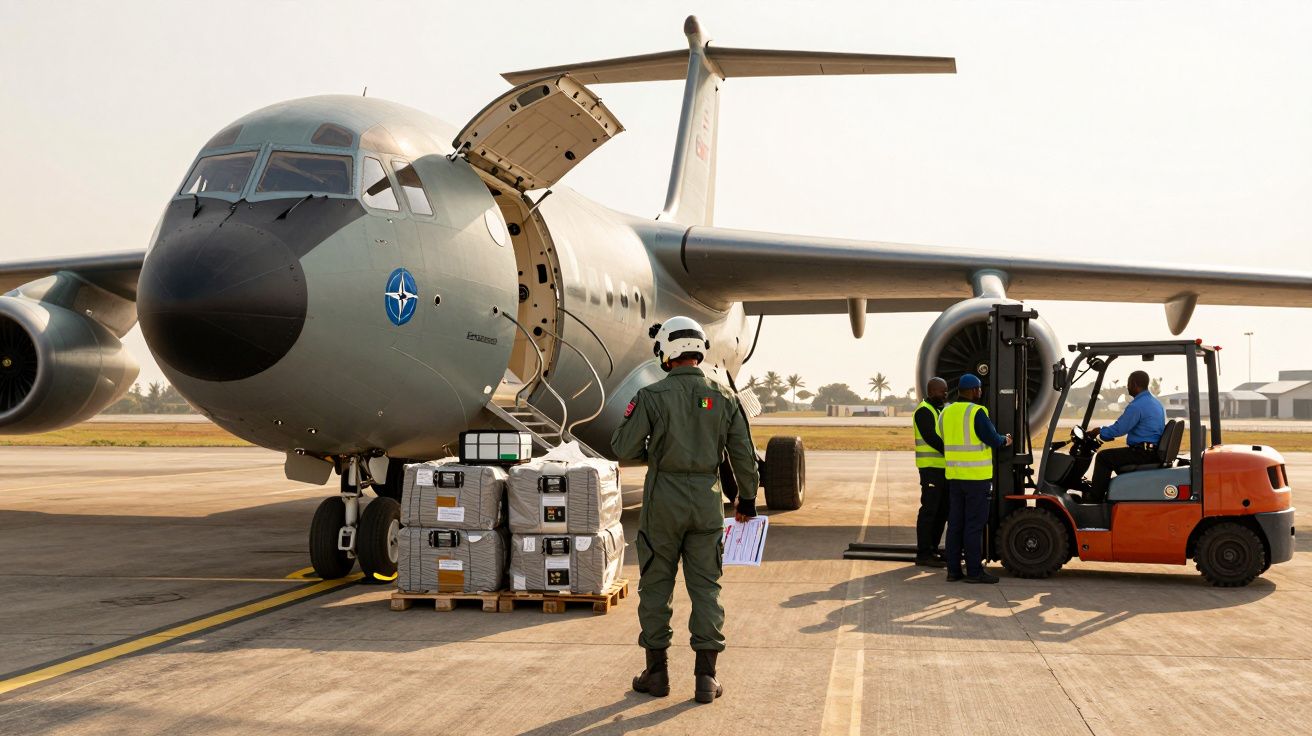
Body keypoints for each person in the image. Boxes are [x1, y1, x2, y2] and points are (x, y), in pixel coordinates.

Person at [611, 316, 759, 704]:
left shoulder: (651, 396)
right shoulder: (724, 398)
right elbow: (744, 457)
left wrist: (653, 454)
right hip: (707, 502)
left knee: (656, 586)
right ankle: (706, 680)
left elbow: (623, 447)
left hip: (663, 501)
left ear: (666, 352)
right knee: (706, 588)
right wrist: (747, 500)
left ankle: (657, 675)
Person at [939, 374, 1011, 584]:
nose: (980, 392)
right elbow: (991, 438)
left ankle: (953, 571)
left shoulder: (946, 411)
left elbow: (941, 435)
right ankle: (973, 572)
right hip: (976, 479)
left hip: (954, 476)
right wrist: (1005, 440)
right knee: (974, 525)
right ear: (974, 391)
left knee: (955, 525)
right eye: (979, 389)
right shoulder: (977, 412)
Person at [1087, 370, 1165, 503]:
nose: (1127, 387)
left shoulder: (1137, 406)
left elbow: (1119, 429)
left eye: (1128, 383)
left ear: (1134, 384)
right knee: (1111, 456)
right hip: (1151, 451)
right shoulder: (1156, 403)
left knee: (1103, 457)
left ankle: (1094, 500)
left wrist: (1099, 431)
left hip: (1142, 454)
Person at [913, 377, 950, 567]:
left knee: (942, 510)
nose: (945, 394)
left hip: (943, 469)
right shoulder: (923, 412)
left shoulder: (940, 410)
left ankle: (933, 549)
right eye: (942, 391)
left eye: (946, 390)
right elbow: (931, 438)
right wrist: (952, 451)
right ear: (931, 391)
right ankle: (923, 553)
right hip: (930, 469)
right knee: (929, 510)